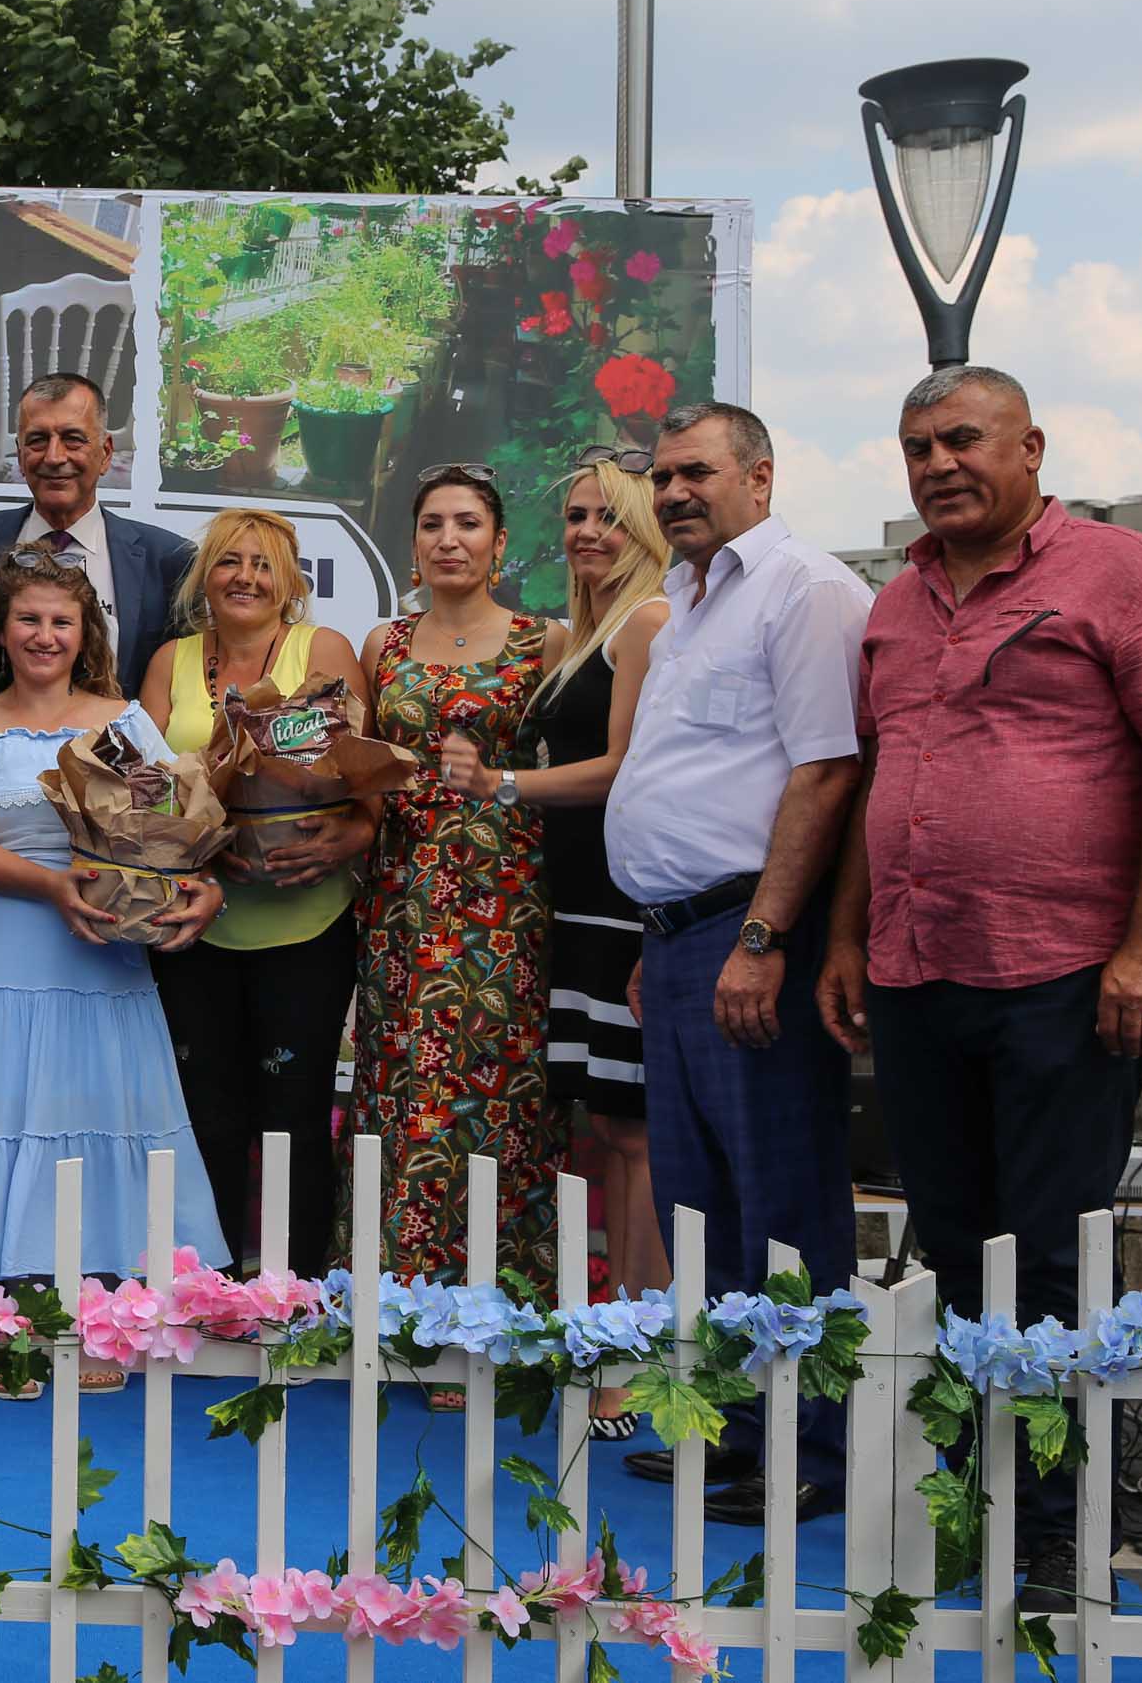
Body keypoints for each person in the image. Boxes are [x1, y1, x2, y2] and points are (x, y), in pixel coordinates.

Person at [820, 366, 1142, 1602]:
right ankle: (977, 1497)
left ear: (1032, 446)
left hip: (1063, 973)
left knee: (1050, 1254)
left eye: (962, 439)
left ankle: (1058, 1526)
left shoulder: (1126, 574)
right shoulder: (895, 604)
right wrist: (847, 937)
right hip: (916, 969)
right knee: (952, 1247)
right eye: (917, 448)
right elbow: (879, 776)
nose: (938, 464)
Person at [606, 402, 869, 1523]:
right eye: (662, 477)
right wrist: (656, 935)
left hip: (753, 935)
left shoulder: (807, 590)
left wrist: (761, 938)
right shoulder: (686, 606)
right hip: (678, 941)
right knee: (699, 1208)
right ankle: (732, 1427)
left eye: (697, 473)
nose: (674, 493)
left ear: (760, 476)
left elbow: (827, 772)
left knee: (784, 1202)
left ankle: (812, 1448)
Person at [0, 544, 227, 1359]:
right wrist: (51, 887)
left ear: (85, 633)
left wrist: (203, 888)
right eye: (28, 619)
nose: (44, 635)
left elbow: (169, 831)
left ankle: (103, 1315)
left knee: (96, 1110)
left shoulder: (122, 721)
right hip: (2, 942)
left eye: (60, 621)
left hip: (104, 950)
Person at [440, 447, 672, 1439]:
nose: (586, 532)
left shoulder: (648, 621)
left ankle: (633, 1357)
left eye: (607, 516)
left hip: (618, 905)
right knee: (604, 1134)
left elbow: (621, 767)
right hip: (567, 906)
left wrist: (497, 784)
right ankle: (604, 1339)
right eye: (576, 515)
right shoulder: (582, 632)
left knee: (635, 1137)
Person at [135, 507, 376, 1272]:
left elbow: (367, 773)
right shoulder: (170, 661)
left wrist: (355, 833)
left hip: (306, 923)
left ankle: (295, 1292)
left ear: (291, 581)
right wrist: (199, 851)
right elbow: (144, 792)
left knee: (295, 1116)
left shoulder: (322, 649)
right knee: (205, 1114)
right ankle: (203, 1289)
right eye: (229, 561)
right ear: (203, 578)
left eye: (263, 564)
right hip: (195, 930)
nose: (245, 577)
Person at [353, 467, 559, 1335]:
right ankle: (394, 1312)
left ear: (498, 543)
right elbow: (359, 769)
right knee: (401, 1089)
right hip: (401, 898)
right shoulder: (382, 643)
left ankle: (492, 1314)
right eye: (432, 523)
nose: (448, 539)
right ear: (412, 543)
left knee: (494, 1093)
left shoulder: (543, 640)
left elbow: (571, 766)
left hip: (502, 897)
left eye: (467, 523)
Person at [0, 372, 195, 688]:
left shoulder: (168, 560)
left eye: (73, 439)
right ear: (21, 455)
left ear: (106, 453)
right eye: (38, 440)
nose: (54, 457)